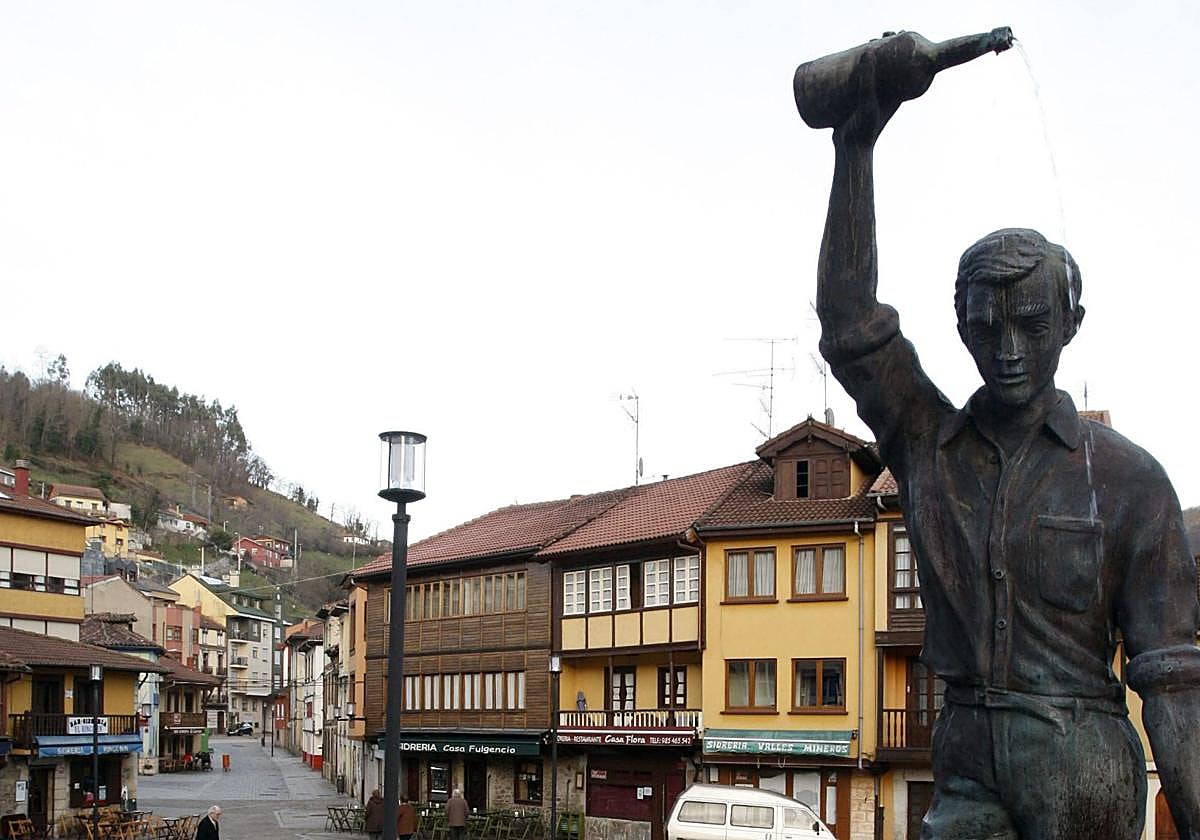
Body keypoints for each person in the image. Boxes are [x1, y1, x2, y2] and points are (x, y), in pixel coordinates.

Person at [807, 34, 1200, 840]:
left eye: (1033, 324)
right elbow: (850, 322)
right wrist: (855, 150)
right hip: (963, 758)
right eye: (987, 328)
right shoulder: (926, 444)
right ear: (961, 324)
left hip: (1082, 766)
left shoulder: (1130, 482)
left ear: (1072, 324)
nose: (1009, 349)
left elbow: (1170, 677)